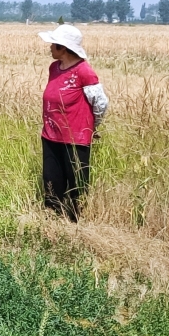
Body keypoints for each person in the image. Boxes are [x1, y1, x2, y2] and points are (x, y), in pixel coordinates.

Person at [37, 24, 108, 221]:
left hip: (75, 137)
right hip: (50, 134)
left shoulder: (84, 71)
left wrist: (92, 126)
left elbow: (100, 102)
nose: (50, 47)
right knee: (52, 179)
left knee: (77, 181)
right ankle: (53, 219)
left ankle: (77, 220)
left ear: (63, 48)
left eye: (53, 44)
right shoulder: (54, 68)